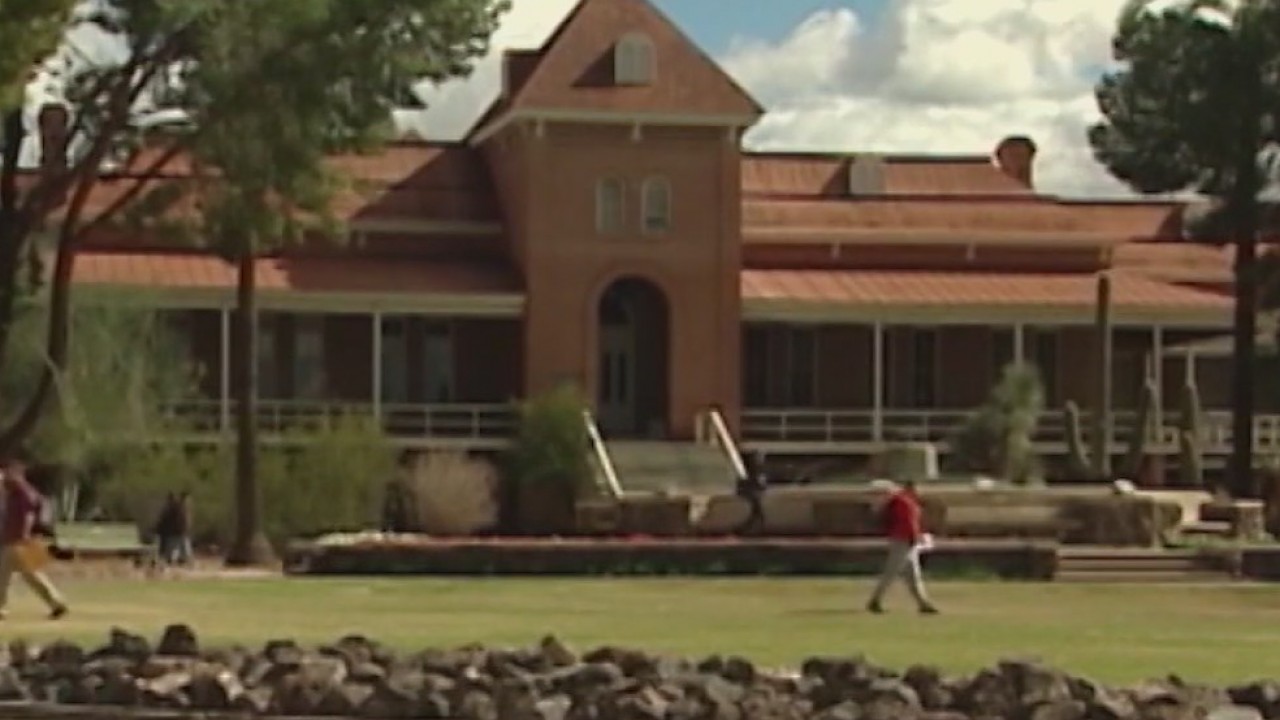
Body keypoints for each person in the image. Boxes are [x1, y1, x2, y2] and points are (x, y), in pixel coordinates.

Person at [0, 460, 69, 620]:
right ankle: (57, 603)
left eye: (9, 473)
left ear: (18, 474)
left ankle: (0, 608)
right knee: (32, 575)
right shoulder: (13, 493)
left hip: (20, 541)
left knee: (5, 575)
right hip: (17, 541)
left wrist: (23, 535)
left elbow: (28, 516)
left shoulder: (24, 494)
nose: (7, 476)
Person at [867, 480, 939, 615]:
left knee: (911, 575)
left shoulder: (900, 501)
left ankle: (923, 603)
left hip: (903, 539)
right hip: (904, 539)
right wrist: (915, 537)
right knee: (893, 572)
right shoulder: (904, 502)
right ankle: (875, 600)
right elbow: (909, 522)